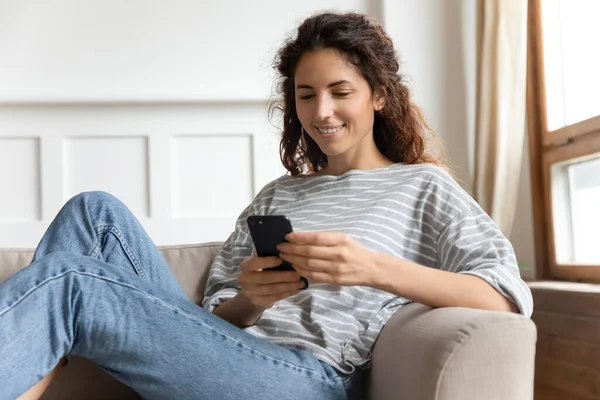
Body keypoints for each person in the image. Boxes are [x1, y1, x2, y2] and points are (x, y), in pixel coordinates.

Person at [2, 11, 533, 400]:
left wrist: (373, 269)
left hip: (311, 379)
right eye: (306, 95)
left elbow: (506, 297)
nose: (321, 111)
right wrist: (250, 300)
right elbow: (214, 317)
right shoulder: (280, 194)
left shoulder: (422, 186)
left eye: (339, 91)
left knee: (73, 281)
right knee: (93, 212)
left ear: (378, 95)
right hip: (232, 357)